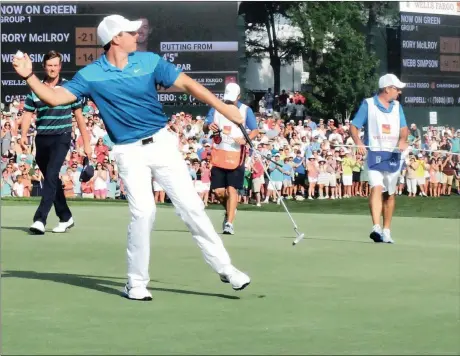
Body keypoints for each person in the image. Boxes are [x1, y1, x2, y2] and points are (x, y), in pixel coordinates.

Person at [13, 14, 250, 301]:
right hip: (128, 151)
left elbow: (189, 84)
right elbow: (54, 98)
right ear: (115, 39)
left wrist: (225, 109)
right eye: (130, 32)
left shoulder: (149, 62)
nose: (136, 35)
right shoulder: (91, 75)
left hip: (161, 144)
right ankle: (136, 283)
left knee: (191, 207)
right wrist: (28, 76)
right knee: (144, 213)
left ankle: (226, 268)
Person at [20, 50, 91, 234]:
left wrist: (87, 142)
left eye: (55, 65)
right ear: (44, 67)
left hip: (62, 136)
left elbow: (79, 116)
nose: (52, 69)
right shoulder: (36, 88)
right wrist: (22, 136)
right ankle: (65, 216)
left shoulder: (69, 87)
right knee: (51, 179)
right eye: (49, 65)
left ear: (60, 66)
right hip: (42, 138)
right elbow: (28, 113)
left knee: (51, 174)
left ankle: (39, 220)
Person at [350, 73, 408, 244]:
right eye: (396, 89)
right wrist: (358, 142)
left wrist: (403, 140)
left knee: (389, 194)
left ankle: (387, 230)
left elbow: (403, 129)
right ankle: (376, 227)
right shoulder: (368, 104)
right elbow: (354, 127)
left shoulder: (397, 106)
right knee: (376, 187)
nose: (399, 92)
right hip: (374, 153)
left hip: (393, 155)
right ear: (387, 89)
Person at [203, 83, 258, 235]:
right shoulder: (216, 107)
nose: (229, 102)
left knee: (232, 189)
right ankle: (230, 210)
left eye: (233, 99)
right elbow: (205, 126)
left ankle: (229, 223)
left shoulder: (246, 110)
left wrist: (246, 140)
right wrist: (209, 126)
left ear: (238, 97)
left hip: (236, 155)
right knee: (218, 191)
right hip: (219, 153)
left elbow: (254, 130)